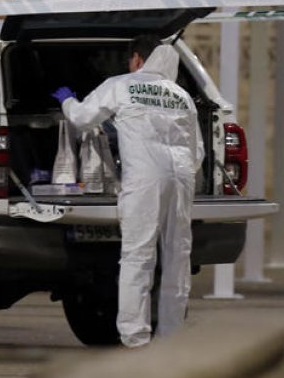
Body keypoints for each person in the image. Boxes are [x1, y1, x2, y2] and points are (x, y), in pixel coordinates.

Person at [52, 35, 203, 348]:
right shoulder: (181, 95)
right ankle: (172, 337)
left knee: (138, 256)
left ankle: (135, 337)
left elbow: (82, 119)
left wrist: (67, 100)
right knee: (178, 256)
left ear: (137, 59)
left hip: (146, 179)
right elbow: (198, 151)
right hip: (182, 179)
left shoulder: (121, 84)